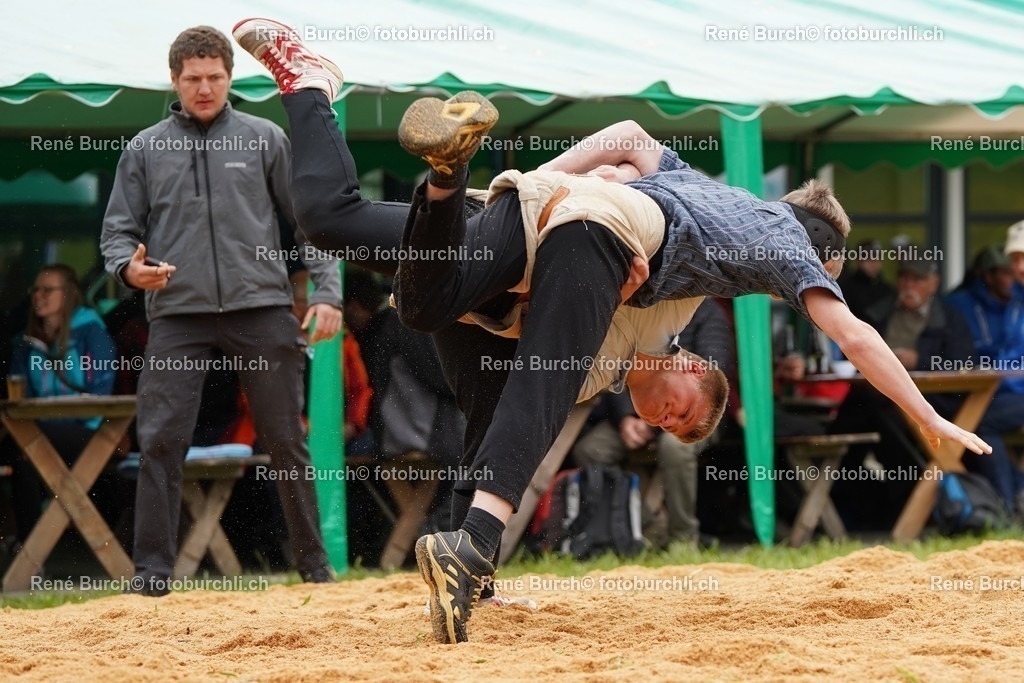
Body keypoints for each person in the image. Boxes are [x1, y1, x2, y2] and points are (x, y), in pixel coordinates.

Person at [231, 19, 987, 644]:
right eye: (822, 276)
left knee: (339, 227)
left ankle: (324, 93)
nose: (807, 288)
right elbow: (853, 336)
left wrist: (531, 188)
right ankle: (476, 547)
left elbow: (626, 133)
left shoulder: (698, 194)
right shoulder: (780, 247)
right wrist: (926, 416)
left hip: (527, 219)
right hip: (585, 228)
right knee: (544, 377)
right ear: (819, 252)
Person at [99, 26, 343, 595]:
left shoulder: (264, 138)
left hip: (260, 307)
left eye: (214, 78)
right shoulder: (144, 148)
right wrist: (127, 271)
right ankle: (152, 577)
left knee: (285, 438)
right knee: (159, 440)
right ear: (174, 80)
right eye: (193, 79)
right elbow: (117, 233)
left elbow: (310, 220)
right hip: (177, 312)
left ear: (231, 78)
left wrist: (328, 292)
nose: (204, 88)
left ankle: (314, 568)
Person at [572, 298, 734, 547]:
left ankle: (683, 538)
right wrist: (626, 417)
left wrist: (657, 420)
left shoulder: (708, 313)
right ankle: (637, 528)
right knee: (592, 449)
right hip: (636, 417)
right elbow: (625, 365)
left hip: (696, 420)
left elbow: (712, 378)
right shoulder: (651, 304)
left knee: (676, 449)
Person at [830, 257, 976, 527]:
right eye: (905, 278)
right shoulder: (877, 313)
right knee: (847, 430)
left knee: (890, 429)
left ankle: (904, 512)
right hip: (877, 401)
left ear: (933, 284)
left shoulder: (952, 320)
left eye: (918, 279)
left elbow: (964, 364)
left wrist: (918, 361)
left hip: (934, 405)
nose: (910, 285)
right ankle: (841, 503)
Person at [2, 265, 123, 545]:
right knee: (24, 458)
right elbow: (22, 394)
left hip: (90, 431)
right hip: (40, 432)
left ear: (68, 295)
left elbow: (101, 394)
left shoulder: (93, 333)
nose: (38, 296)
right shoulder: (27, 341)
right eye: (35, 290)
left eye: (48, 290)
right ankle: (28, 548)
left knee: (27, 453)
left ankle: (29, 547)